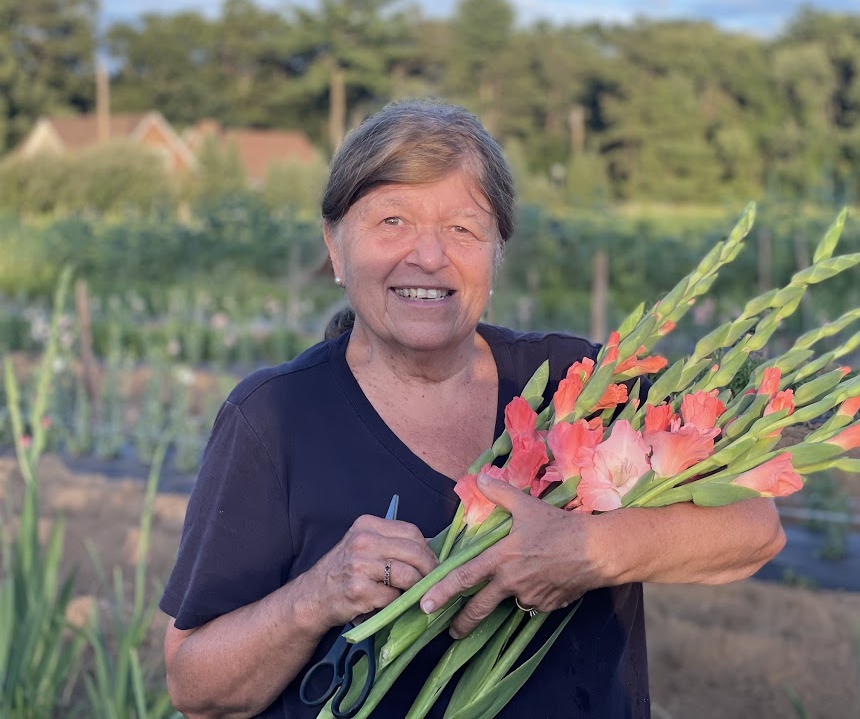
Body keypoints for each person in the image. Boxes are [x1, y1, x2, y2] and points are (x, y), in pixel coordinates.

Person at [161, 99, 788, 719]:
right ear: (334, 245)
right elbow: (197, 687)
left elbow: (754, 528)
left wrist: (586, 548)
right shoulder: (275, 417)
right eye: (392, 222)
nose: (429, 257)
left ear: (497, 253)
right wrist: (317, 597)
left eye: (462, 228)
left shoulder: (583, 387)